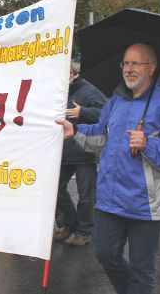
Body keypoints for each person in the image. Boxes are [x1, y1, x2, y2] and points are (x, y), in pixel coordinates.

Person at [56, 43, 160, 294]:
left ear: (151, 68)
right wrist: (74, 130)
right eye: (126, 63)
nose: (129, 69)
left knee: (143, 269)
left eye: (136, 63)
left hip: (146, 205)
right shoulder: (117, 99)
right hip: (111, 199)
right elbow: (100, 134)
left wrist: (149, 144)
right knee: (105, 253)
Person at [54, 60, 106, 246]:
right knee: (56, 189)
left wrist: (83, 112)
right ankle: (70, 223)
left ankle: (84, 231)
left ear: (69, 73)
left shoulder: (88, 89)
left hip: (85, 150)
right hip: (64, 150)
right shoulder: (57, 90)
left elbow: (106, 113)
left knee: (86, 195)